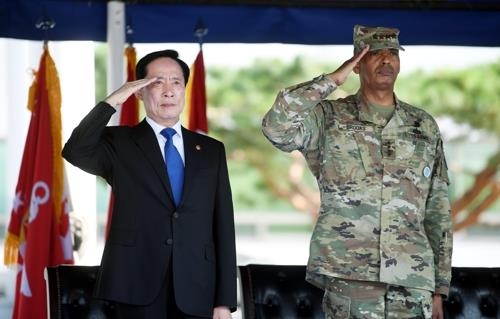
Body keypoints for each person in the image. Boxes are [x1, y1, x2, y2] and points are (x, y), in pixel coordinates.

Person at [262, 25, 453, 319]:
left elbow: (438, 207)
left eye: (393, 53)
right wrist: (331, 80)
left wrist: (439, 287)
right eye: (375, 53)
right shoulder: (329, 118)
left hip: (413, 281)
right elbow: (276, 127)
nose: (386, 60)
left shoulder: (422, 125)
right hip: (350, 279)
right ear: (356, 64)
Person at [62, 49, 237, 319]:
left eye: (176, 82)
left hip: (197, 286)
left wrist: (224, 302)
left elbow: (223, 226)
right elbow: (75, 150)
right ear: (139, 91)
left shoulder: (211, 150)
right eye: (157, 82)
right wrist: (113, 100)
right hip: (136, 283)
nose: (168, 91)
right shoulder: (120, 143)